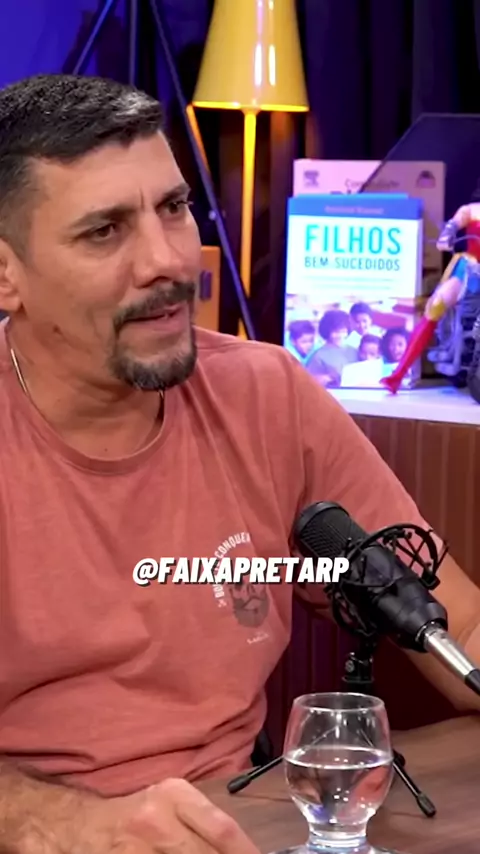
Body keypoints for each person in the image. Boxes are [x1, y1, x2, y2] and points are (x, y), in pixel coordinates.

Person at [0, 74, 479, 854]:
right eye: (104, 231)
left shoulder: (266, 394)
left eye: (173, 208)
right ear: (6, 273)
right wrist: (64, 824)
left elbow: (460, 625)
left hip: (247, 825)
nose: (167, 260)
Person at [305, 309, 357, 383]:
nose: (340, 336)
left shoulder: (354, 351)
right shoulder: (319, 356)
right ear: (327, 331)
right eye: (336, 332)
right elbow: (310, 380)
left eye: (343, 331)